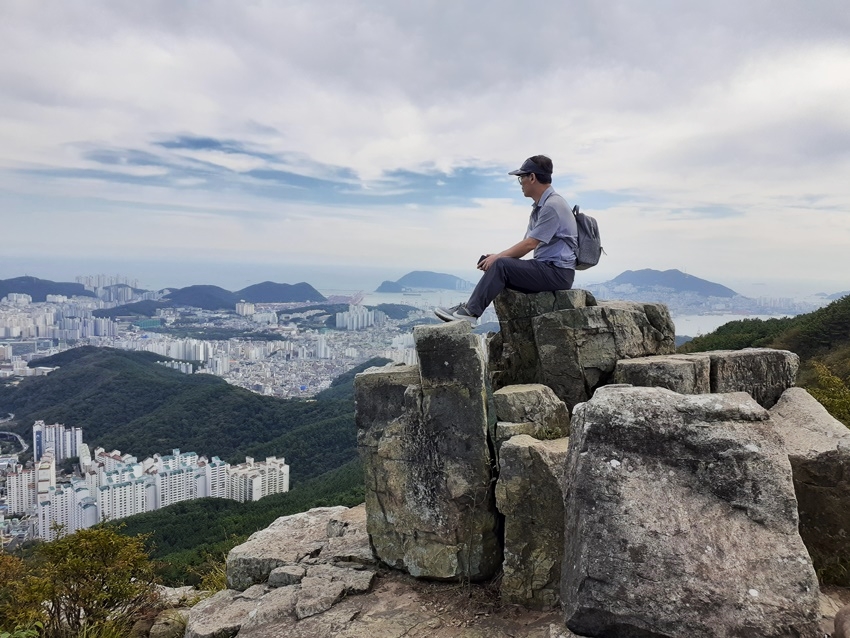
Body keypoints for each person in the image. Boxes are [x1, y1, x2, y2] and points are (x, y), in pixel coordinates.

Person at [434, 155, 577, 323]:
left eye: (521, 178)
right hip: (549, 269)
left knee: (501, 265)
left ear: (532, 177)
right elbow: (525, 245)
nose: (520, 183)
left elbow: (530, 244)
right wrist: (495, 258)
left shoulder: (552, 206)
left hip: (557, 273)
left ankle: (470, 313)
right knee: (497, 264)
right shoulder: (541, 207)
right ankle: (468, 307)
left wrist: (499, 258)